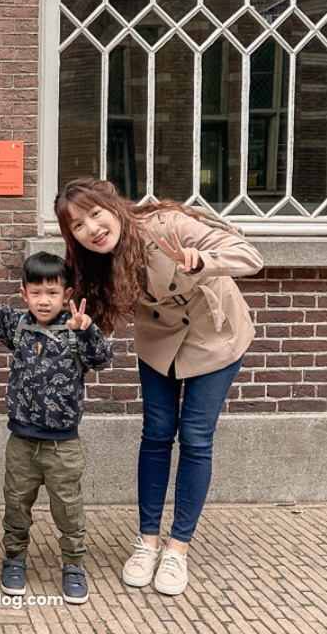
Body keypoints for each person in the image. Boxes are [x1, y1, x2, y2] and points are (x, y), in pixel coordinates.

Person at [54, 178, 263, 596]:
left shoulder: (168, 225)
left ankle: (177, 549)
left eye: (95, 213)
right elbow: (96, 319)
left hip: (214, 338)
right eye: (77, 225)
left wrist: (201, 259)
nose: (91, 228)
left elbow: (250, 257)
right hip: (159, 344)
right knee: (155, 435)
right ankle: (147, 542)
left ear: (114, 205)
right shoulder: (93, 263)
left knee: (196, 437)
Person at [0, 248, 111, 605]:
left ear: (67, 296)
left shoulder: (75, 332)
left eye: (53, 293)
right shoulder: (19, 327)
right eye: (37, 293)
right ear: (24, 293)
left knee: (68, 507)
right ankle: (14, 558)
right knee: (16, 503)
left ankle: (73, 564)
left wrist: (87, 332)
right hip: (22, 441)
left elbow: (102, 359)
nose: (45, 301)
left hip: (63, 446)